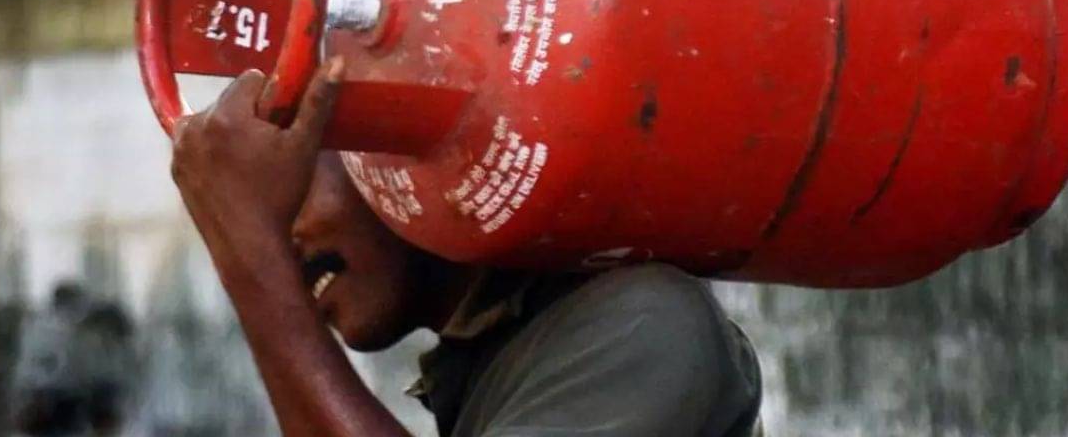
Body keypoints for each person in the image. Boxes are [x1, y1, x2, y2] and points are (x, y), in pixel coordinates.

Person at [170, 57, 764, 437]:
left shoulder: (642, 323)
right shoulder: (490, 363)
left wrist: (253, 259)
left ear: (388, 148)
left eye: (286, 194)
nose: (278, 237)